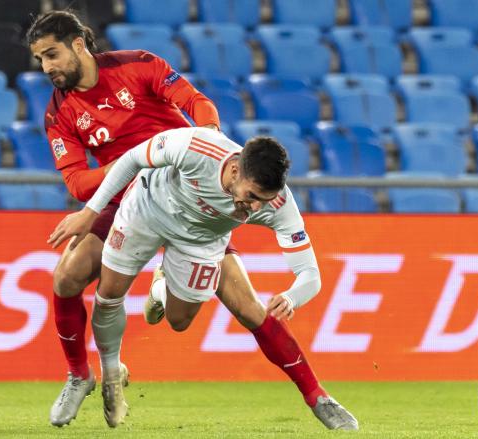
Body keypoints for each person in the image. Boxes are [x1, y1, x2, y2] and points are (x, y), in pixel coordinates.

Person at [28, 10, 345, 430]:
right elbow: (78, 182)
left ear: (80, 45)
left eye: (52, 55)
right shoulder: (59, 114)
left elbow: (196, 102)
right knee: (67, 276)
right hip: (128, 198)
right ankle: (80, 376)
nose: (46, 67)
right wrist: (137, 160)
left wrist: (205, 139)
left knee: (242, 309)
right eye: (40, 60)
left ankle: (317, 394)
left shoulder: (137, 64)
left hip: (196, 192)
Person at [48, 127, 359, 431]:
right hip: (147, 208)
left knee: (179, 321)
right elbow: (132, 159)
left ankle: (160, 288)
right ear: (235, 170)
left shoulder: (277, 205)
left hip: (200, 240)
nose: (255, 208)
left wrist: (292, 296)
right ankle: (111, 374)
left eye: (264, 200)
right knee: (110, 293)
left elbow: (310, 275)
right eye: (252, 196)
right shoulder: (197, 147)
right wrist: (90, 212)